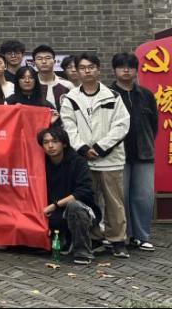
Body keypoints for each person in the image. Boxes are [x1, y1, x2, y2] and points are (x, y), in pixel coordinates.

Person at [60, 53, 131, 258]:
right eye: (82, 68)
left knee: (114, 202)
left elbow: (122, 125)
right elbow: (68, 125)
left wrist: (100, 148)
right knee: (88, 200)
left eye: (91, 67)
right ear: (77, 71)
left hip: (110, 159)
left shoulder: (113, 96)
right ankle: (94, 237)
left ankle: (117, 240)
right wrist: (83, 149)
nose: (87, 71)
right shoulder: (71, 98)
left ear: (98, 69)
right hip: (84, 161)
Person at [111, 53, 158, 252]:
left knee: (144, 196)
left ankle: (141, 236)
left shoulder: (146, 95)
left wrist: (147, 141)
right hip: (116, 154)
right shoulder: (108, 95)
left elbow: (154, 125)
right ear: (114, 70)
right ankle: (123, 235)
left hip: (144, 153)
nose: (126, 70)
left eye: (130, 66)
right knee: (120, 197)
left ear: (136, 70)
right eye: (121, 66)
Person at [40, 126, 100, 265]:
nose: (50, 146)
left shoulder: (78, 161)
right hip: (51, 212)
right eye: (46, 142)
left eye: (55, 141)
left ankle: (83, 252)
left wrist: (55, 205)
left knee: (75, 206)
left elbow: (83, 191)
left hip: (80, 210)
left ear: (64, 144)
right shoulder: (40, 163)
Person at [33, 45, 72, 109]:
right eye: (39, 59)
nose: (44, 62)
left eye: (48, 58)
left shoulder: (67, 85)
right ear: (34, 63)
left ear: (54, 62)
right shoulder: (30, 84)